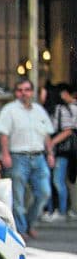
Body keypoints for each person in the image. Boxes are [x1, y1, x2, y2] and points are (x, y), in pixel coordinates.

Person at [0, 78, 55, 238]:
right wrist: (5, 154)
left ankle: (30, 222)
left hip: (39, 156)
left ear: (32, 92)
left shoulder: (39, 111)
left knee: (44, 193)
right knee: (18, 196)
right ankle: (21, 229)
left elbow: (46, 134)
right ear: (16, 93)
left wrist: (50, 154)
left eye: (27, 89)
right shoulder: (10, 110)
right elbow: (3, 134)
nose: (24, 93)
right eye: (20, 90)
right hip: (18, 157)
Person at [48, 84, 76, 221]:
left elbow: (68, 130)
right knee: (57, 180)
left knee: (58, 180)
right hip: (59, 151)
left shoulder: (60, 109)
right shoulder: (59, 109)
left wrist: (52, 143)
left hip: (61, 151)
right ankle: (57, 209)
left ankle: (61, 210)